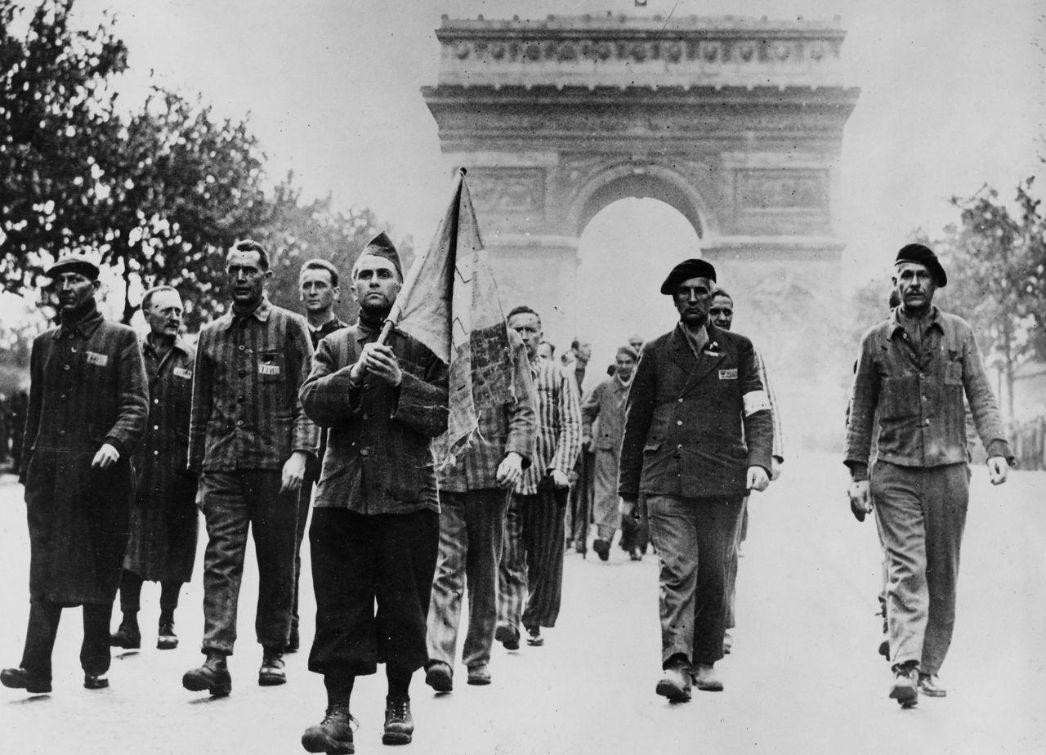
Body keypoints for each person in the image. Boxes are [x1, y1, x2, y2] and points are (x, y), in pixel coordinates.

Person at [298, 232, 448, 752]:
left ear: (401, 286)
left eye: (384, 274)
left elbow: (444, 416)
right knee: (339, 608)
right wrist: (357, 373)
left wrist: (403, 380)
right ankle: (337, 714)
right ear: (354, 289)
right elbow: (312, 402)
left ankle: (398, 704)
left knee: (404, 609)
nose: (374, 283)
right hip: (341, 500)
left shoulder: (426, 347)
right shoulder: (334, 345)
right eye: (365, 275)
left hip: (407, 500)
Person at [845, 243, 1012, 708]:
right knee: (906, 568)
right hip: (894, 472)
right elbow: (860, 411)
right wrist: (858, 473)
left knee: (943, 572)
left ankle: (930, 664)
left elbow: (980, 393)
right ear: (894, 284)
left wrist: (996, 448)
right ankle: (905, 665)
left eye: (922, 275)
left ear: (935, 283)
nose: (914, 283)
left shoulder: (960, 334)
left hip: (949, 469)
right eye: (906, 276)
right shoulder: (875, 340)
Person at [618, 259, 773, 702]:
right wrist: (629, 492)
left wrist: (759, 460)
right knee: (677, 569)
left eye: (700, 291)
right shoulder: (655, 353)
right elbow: (635, 424)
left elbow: (758, 412)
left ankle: (706, 659)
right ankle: (677, 665)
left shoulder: (739, 350)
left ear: (711, 296)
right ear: (674, 299)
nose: (692, 299)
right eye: (684, 292)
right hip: (667, 476)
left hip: (723, 480)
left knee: (715, 572)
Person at [2, 254, 148, 694]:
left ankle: (95, 662)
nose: (66, 288)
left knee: (101, 566)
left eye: (75, 280)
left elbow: (137, 405)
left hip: (102, 477)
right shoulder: (44, 343)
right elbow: (36, 412)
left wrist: (114, 442)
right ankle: (36, 668)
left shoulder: (120, 339)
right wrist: (29, 466)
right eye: (60, 281)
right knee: (44, 568)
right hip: (50, 477)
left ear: (94, 287)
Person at [182, 240, 317, 696]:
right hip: (223, 466)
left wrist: (301, 453)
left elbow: (308, 398)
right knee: (220, 559)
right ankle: (215, 657)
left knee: (278, 559)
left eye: (250, 271)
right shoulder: (211, 334)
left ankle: (274, 651)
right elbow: (199, 409)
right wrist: (198, 471)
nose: (241, 278)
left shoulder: (290, 328)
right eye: (234, 270)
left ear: (266, 277)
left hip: (277, 468)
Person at [424, 326, 537, 692]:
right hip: (444, 470)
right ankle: (440, 657)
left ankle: (478, 657)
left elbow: (524, 406)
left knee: (486, 567)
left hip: (491, 474)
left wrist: (516, 454)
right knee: (446, 567)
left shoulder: (507, 342)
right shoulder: (432, 336)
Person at [110, 286, 198, 652]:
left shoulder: (192, 358)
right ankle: (129, 622)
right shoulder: (131, 354)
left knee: (177, 544)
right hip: (136, 464)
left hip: (179, 467)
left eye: (179, 311)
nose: (175, 317)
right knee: (128, 543)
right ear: (148, 315)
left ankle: (167, 619)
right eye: (166, 310)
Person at [496, 306, 581, 649]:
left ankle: (533, 618)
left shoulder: (558, 375)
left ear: (541, 334)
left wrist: (561, 466)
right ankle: (508, 619)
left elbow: (572, 424)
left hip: (547, 480)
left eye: (531, 329)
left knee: (543, 556)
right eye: (518, 330)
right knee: (509, 552)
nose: (525, 336)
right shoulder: (500, 374)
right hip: (512, 479)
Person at [708, 287, 784, 654]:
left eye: (727, 312)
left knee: (726, 551)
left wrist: (769, 457)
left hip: (733, 467)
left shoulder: (744, 351)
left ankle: (721, 624)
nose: (722, 318)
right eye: (715, 312)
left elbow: (763, 405)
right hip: (688, 467)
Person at [288, 258, 347, 654]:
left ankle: (332, 630)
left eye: (320, 285)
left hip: (337, 453)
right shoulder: (289, 333)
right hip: (295, 453)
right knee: (286, 544)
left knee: (331, 546)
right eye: (306, 285)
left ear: (335, 292)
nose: (312, 291)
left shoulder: (345, 337)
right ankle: (286, 624)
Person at [580, 345, 638, 561]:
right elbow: (586, 411)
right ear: (615, 362)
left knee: (632, 493)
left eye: (628, 362)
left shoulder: (640, 387)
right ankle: (604, 538)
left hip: (633, 450)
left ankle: (632, 540)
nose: (623, 366)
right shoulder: (604, 387)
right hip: (607, 448)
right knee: (606, 493)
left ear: (634, 364)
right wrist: (586, 434)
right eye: (620, 362)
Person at [564, 337, 593, 552]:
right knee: (568, 487)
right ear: (574, 350)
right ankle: (566, 534)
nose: (588, 350)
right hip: (570, 436)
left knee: (586, 490)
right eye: (585, 346)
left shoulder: (596, 374)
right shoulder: (566, 372)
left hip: (587, 442)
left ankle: (582, 536)